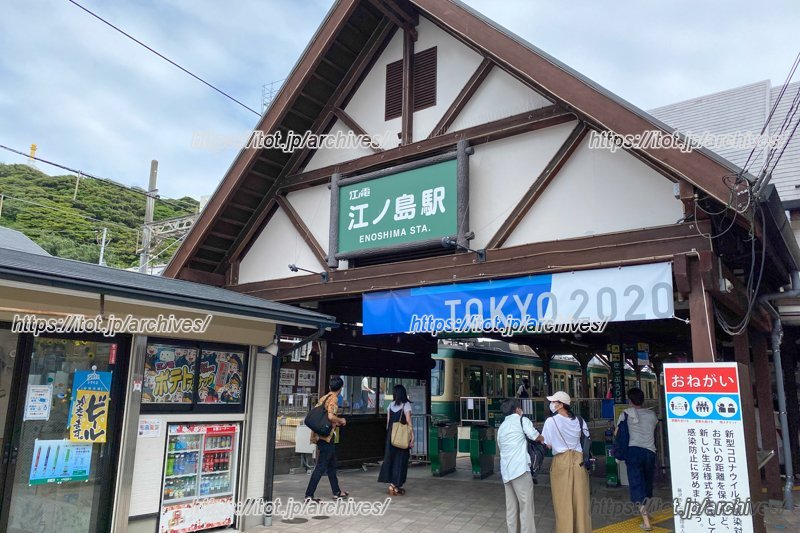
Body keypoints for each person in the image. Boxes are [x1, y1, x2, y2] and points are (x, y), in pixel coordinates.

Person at [541, 391, 592, 533]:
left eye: (554, 401)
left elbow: (547, 444)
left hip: (561, 462)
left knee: (563, 503)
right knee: (581, 503)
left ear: (561, 404)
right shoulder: (580, 420)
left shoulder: (550, 422)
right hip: (579, 463)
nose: (552, 404)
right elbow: (586, 438)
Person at [497, 398, 544, 533]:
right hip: (520, 470)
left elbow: (500, 447)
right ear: (517, 409)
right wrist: (543, 438)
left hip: (506, 472)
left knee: (511, 508)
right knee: (526, 507)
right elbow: (535, 436)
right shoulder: (522, 420)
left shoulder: (501, 427)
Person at [617, 387, 658, 531]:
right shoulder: (652, 414)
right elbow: (654, 429)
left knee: (636, 485)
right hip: (650, 452)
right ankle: (647, 512)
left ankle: (646, 522)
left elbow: (618, 434)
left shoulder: (626, 414)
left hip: (633, 452)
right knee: (647, 484)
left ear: (630, 400)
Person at [305, 376, 348, 502]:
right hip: (326, 437)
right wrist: (341, 420)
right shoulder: (334, 399)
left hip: (319, 435)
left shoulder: (324, 398)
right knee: (321, 466)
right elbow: (330, 416)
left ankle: (337, 492)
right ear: (341, 388)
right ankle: (309, 495)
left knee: (332, 465)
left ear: (330, 387)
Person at [378, 384, 414, 495]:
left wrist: (389, 436)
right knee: (401, 461)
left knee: (391, 460)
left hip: (391, 437)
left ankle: (395, 485)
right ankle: (394, 485)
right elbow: (409, 423)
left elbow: (388, 423)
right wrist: (412, 437)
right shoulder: (406, 405)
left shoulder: (390, 405)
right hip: (402, 437)